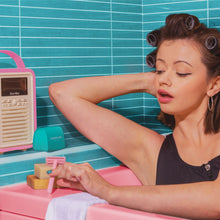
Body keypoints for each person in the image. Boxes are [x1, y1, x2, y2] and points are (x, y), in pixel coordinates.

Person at [48, 13, 220, 219]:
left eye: (181, 72)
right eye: (160, 69)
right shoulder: (152, 151)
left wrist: (109, 191)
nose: (164, 79)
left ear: (213, 84)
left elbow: (215, 201)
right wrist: (146, 81)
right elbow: (62, 94)